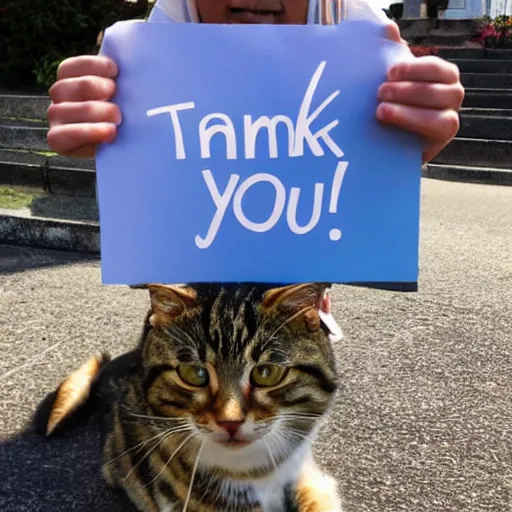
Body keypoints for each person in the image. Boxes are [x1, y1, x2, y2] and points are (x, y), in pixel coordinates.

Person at [46, 0, 464, 166]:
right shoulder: (171, 21)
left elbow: (374, 160)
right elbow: (157, 152)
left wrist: (416, 138)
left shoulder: (358, 26)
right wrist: (102, 132)